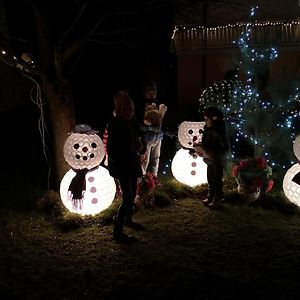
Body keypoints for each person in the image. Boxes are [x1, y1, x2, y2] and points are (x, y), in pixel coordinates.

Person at [106, 90, 146, 243]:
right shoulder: (115, 125)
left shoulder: (133, 122)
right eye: (124, 109)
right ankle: (118, 231)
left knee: (133, 193)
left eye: (130, 109)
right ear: (118, 110)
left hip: (132, 162)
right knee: (128, 198)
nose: (128, 112)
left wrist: (140, 147)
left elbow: (139, 142)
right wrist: (122, 157)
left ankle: (128, 219)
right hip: (123, 165)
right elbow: (112, 150)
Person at [194, 106, 230, 209]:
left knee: (217, 178)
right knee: (210, 177)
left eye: (207, 119)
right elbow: (205, 142)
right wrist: (201, 148)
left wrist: (212, 150)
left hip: (218, 158)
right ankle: (211, 195)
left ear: (214, 119)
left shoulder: (220, 130)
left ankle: (217, 197)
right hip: (209, 157)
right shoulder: (207, 128)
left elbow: (224, 146)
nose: (205, 121)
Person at [135, 81, 167, 182]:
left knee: (155, 159)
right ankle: (141, 181)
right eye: (150, 91)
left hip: (158, 137)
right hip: (147, 138)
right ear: (145, 92)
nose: (152, 93)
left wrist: (161, 129)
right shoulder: (140, 105)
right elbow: (138, 124)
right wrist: (149, 128)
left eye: (154, 91)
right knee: (145, 160)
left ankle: (153, 179)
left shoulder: (158, 103)